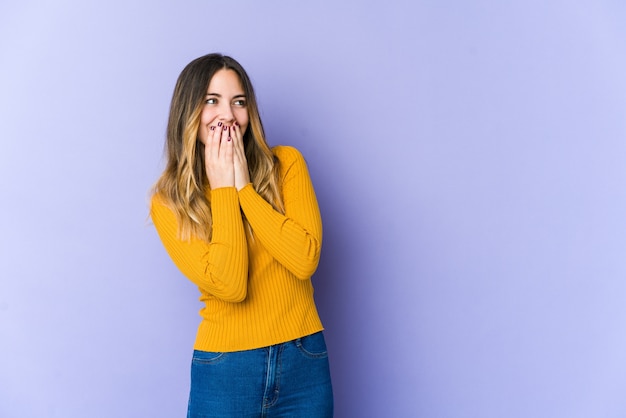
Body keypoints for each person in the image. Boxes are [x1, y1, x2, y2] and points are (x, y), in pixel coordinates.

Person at [150, 53, 333, 417]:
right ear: (188, 111)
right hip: (225, 371)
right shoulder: (169, 201)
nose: (228, 115)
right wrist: (222, 191)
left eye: (239, 102)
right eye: (211, 101)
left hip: (304, 362)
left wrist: (244, 189)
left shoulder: (287, 165)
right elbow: (231, 284)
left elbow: (304, 259)